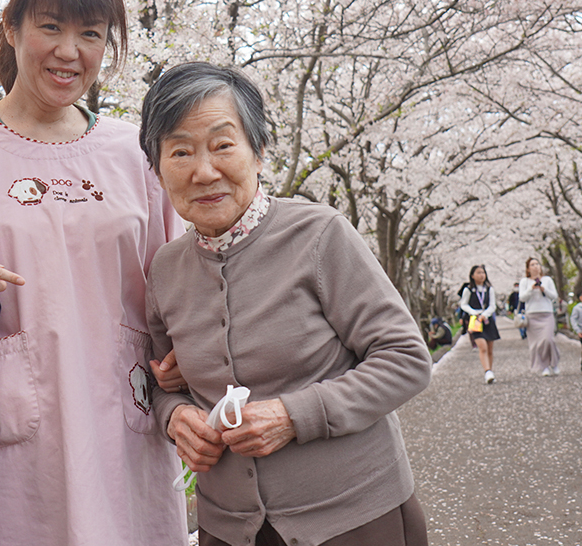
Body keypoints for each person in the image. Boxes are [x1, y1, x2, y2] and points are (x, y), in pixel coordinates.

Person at [0, 0, 188, 546]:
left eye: (90, 34)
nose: (70, 51)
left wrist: (189, 358)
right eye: (51, 27)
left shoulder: (134, 153)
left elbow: (175, 278)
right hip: (10, 427)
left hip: (127, 417)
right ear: (11, 28)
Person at [139, 62, 432, 546]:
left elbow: (406, 359)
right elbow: (160, 380)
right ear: (158, 169)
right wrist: (176, 417)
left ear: (257, 152)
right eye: (180, 152)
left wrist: (294, 416)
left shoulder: (319, 234)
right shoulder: (165, 271)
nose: (203, 170)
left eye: (223, 145)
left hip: (354, 517)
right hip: (230, 527)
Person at [519, 257, 561, 376]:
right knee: (536, 344)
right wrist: (531, 289)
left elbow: (554, 296)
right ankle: (544, 366)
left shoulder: (547, 280)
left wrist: (544, 289)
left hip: (546, 313)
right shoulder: (525, 282)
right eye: (532, 264)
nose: (536, 266)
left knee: (548, 340)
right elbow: (522, 298)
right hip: (532, 315)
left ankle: (554, 362)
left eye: (537, 264)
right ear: (528, 268)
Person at [458, 265, 500, 384]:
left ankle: (490, 372)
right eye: (478, 273)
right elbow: (464, 304)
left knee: (490, 348)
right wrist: (474, 313)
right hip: (475, 320)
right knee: (483, 347)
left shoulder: (489, 289)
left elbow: (493, 305)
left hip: (487, 320)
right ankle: (487, 371)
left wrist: (485, 314)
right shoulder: (468, 289)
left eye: (483, 273)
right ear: (472, 275)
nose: (481, 275)